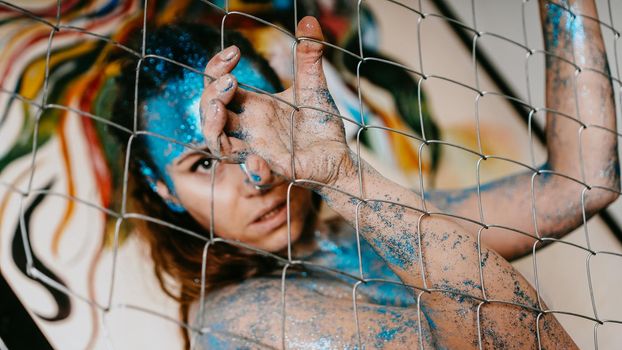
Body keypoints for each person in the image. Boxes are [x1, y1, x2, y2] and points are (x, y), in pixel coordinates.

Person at [109, 0, 618, 348]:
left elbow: (581, 184)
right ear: (164, 190)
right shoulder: (240, 325)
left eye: (256, 135)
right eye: (203, 163)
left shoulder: (352, 232)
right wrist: (340, 176)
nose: (256, 175)